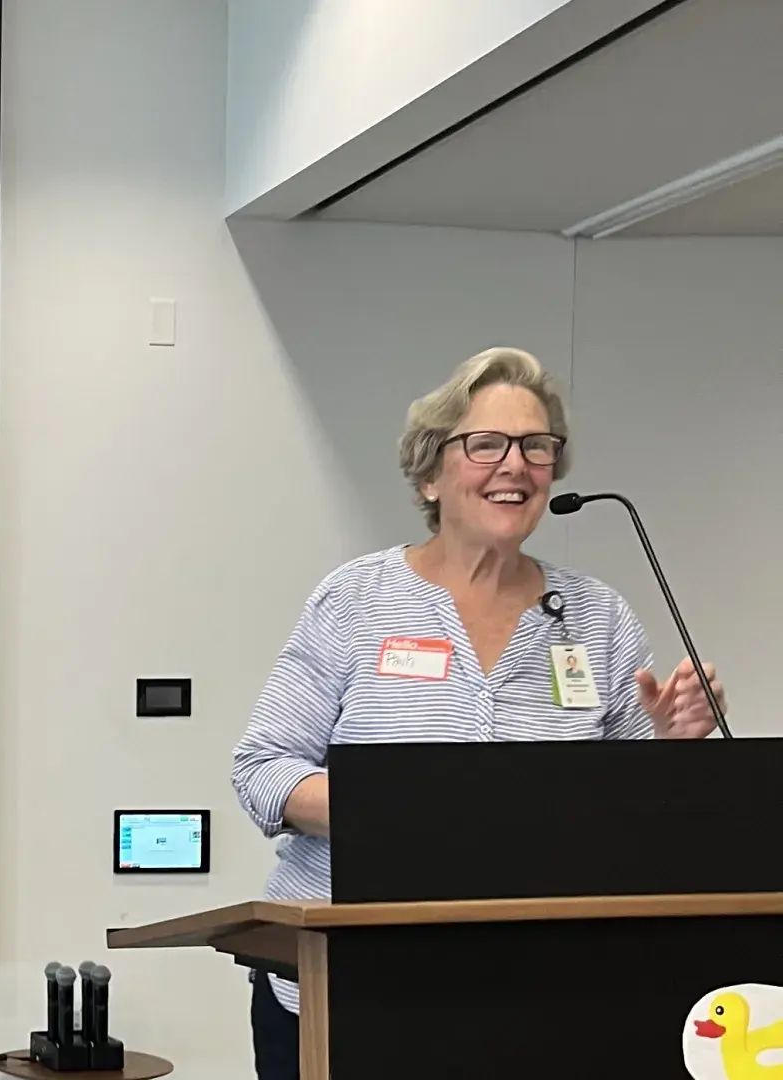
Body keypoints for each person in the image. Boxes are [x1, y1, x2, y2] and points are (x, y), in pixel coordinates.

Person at [229, 347, 728, 1080]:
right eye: (485, 444)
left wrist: (673, 747)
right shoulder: (358, 600)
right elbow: (263, 770)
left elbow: (634, 812)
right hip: (350, 983)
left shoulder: (597, 617)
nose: (515, 465)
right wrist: (400, 813)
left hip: (537, 986)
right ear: (430, 473)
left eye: (536, 446)